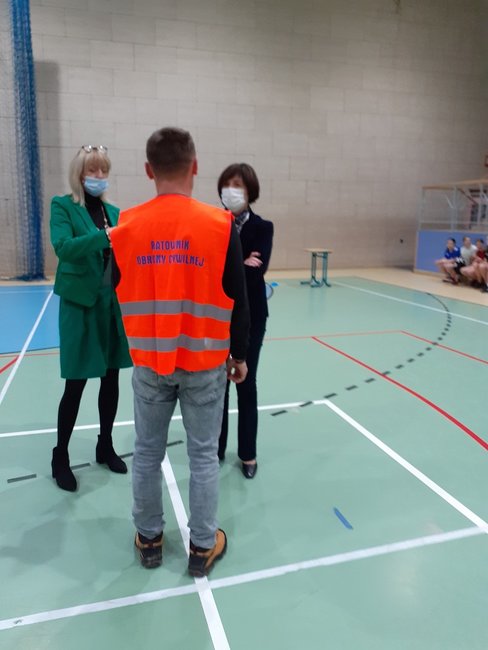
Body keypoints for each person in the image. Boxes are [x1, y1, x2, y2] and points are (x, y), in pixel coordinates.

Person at [110, 127, 250, 575]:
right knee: (203, 456)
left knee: (147, 453)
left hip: (150, 362)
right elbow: (239, 300)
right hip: (205, 362)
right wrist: (239, 356)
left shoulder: (126, 227)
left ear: (148, 170)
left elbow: (114, 288)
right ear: (195, 166)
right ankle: (202, 546)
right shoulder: (220, 226)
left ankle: (149, 539)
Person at [50, 145, 132, 492]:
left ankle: (105, 445)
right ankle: (60, 456)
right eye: (92, 170)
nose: (99, 177)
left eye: (104, 171)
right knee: (76, 384)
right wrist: (104, 237)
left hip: (110, 305)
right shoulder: (63, 206)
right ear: (79, 174)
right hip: (79, 305)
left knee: (111, 380)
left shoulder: (114, 212)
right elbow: (63, 247)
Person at [217, 163, 274, 479]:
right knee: (218, 385)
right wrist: (242, 261)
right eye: (227, 184)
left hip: (252, 318)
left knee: (246, 382)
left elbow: (257, 271)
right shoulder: (213, 223)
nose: (231, 190)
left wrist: (229, 265)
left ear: (250, 190)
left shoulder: (263, 228)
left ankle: (248, 454)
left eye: (237, 184)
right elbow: (208, 267)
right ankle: (216, 448)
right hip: (217, 317)